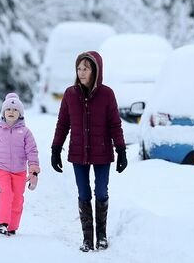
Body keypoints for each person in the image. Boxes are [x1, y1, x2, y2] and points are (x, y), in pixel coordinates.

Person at [50, 50, 127, 252]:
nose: (81, 72)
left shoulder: (107, 94)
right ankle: (87, 238)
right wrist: (56, 148)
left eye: (86, 68)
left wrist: (121, 150)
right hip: (78, 153)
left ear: (95, 70)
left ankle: (101, 236)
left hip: (102, 152)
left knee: (101, 192)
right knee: (83, 193)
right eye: (79, 68)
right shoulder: (70, 94)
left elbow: (115, 124)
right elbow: (62, 124)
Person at [0, 92, 40, 236]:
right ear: (3, 112)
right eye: (8, 109)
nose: (11, 112)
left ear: (20, 113)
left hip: (19, 171)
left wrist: (33, 170)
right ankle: (3, 223)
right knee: (6, 193)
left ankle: (12, 226)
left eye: (15, 110)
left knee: (18, 197)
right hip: (2, 169)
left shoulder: (25, 133)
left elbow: (32, 151)